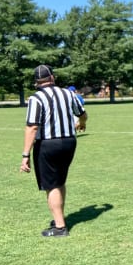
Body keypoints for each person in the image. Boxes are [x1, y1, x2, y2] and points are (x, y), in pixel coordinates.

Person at [20, 65, 87, 237]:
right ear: (52, 77)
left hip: (48, 144)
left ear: (36, 81)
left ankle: (59, 227)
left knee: (51, 185)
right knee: (59, 180)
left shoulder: (36, 98)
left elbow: (32, 127)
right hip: (70, 142)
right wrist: (82, 123)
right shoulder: (68, 93)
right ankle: (60, 218)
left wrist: (25, 154)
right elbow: (82, 113)